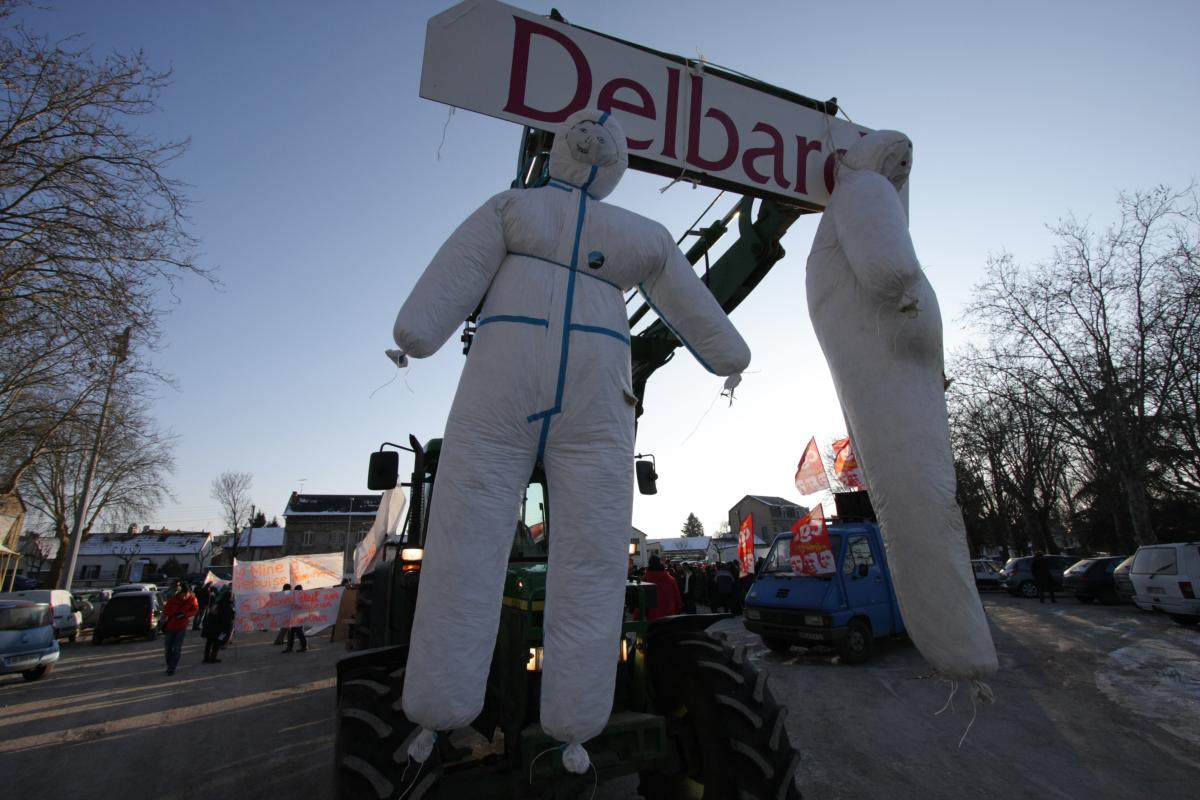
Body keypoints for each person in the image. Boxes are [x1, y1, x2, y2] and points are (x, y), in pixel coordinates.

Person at [161, 581, 199, 675]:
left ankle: (171, 668)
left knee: (177, 648)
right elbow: (165, 610)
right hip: (170, 626)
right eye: (182, 594)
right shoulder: (173, 599)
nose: (184, 596)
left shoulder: (192, 599)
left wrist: (185, 615)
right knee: (168, 649)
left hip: (181, 627)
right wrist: (173, 614)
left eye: (186, 594)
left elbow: (195, 610)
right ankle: (169, 664)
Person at [638, 556, 682, 620]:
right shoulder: (671, 580)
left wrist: (637, 615)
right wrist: (678, 610)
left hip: (653, 616)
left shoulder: (646, 580)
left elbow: (641, 600)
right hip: (670, 615)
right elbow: (677, 597)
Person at [202, 587, 235, 662]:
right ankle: (213, 657)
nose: (233, 599)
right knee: (216, 642)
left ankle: (206, 657)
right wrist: (226, 630)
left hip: (210, 627)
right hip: (218, 627)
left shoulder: (217, 604)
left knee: (209, 642)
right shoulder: (227, 606)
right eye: (232, 597)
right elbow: (227, 619)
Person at [283, 584, 308, 652]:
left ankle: (301, 647)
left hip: (296, 618)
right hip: (294, 618)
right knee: (293, 633)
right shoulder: (296, 596)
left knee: (297, 633)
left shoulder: (296, 597)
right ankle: (291, 647)